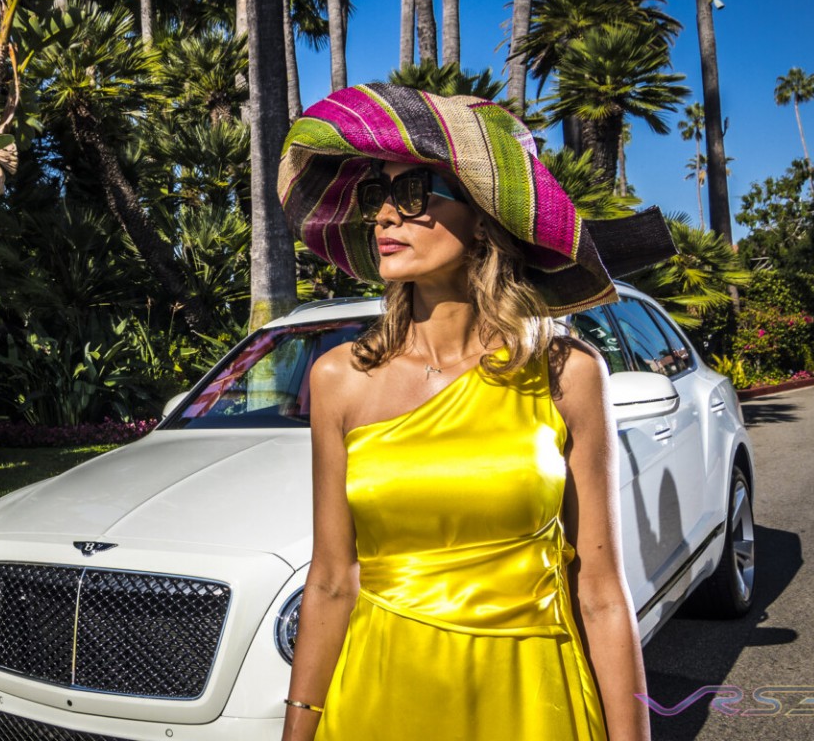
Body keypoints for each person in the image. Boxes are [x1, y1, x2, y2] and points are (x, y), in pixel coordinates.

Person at [275, 83, 674, 741]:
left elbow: (600, 590)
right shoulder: (338, 379)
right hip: (379, 701)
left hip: (535, 703)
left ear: (484, 216)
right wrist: (297, 733)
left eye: (412, 195)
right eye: (376, 198)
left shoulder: (565, 373)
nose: (383, 218)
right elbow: (330, 580)